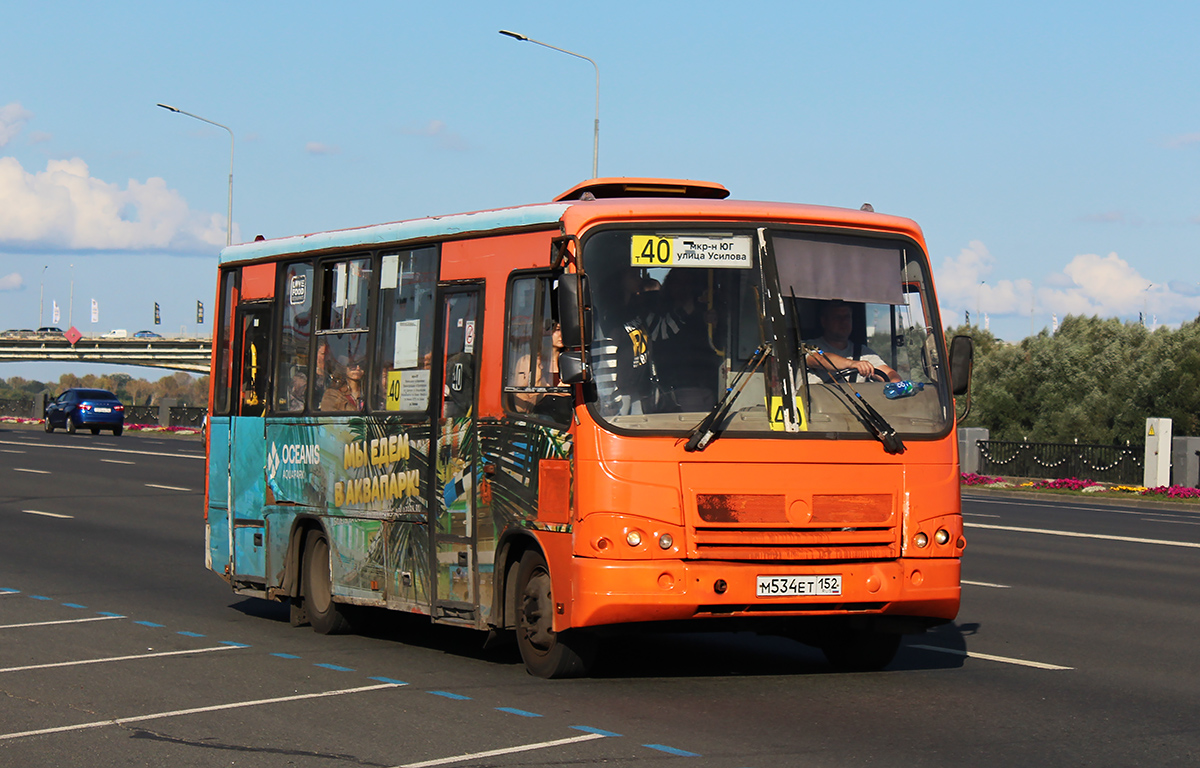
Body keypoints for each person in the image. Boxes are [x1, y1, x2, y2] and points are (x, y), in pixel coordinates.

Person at [647, 268, 722, 411]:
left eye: (688, 283)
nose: (684, 287)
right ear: (669, 285)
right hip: (676, 383)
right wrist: (688, 307)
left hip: (707, 380)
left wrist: (715, 324)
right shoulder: (657, 309)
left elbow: (718, 345)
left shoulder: (702, 311)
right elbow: (660, 333)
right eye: (678, 282)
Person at [804, 300, 901, 383]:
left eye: (847, 317)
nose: (843, 322)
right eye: (837, 317)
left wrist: (895, 383)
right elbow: (819, 359)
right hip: (818, 404)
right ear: (824, 321)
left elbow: (888, 373)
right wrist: (852, 364)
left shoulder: (863, 352)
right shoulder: (809, 347)